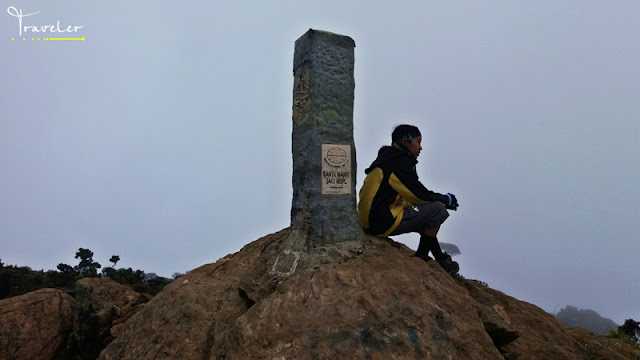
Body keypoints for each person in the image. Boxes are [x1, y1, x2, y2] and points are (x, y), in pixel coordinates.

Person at [358, 124, 460, 274]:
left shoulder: (387, 159)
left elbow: (406, 196)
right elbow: (419, 195)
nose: (421, 148)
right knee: (437, 209)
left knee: (425, 212)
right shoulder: (398, 163)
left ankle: (440, 258)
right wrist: (445, 199)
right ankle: (422, 257)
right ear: (406, 141)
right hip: (381, 222)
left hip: (369, 219)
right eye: (418, 142)